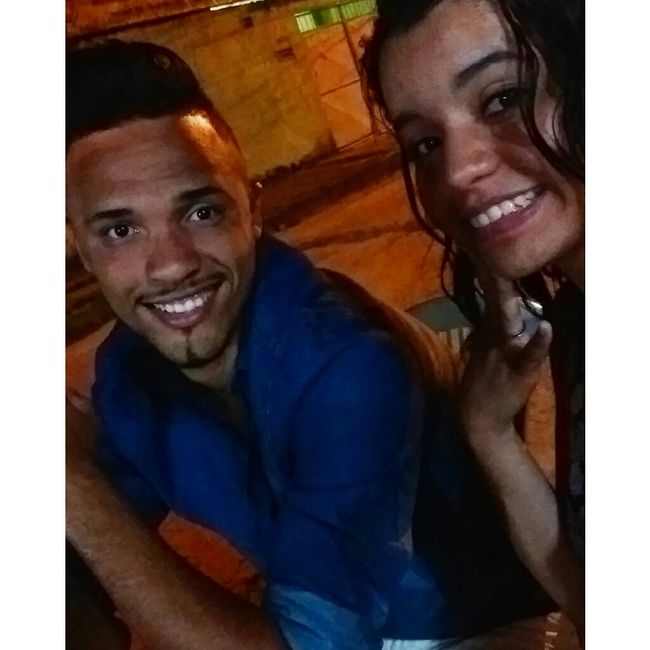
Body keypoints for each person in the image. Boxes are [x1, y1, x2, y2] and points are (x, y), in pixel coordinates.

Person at [66, 39, 555, 650]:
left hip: (475, 628)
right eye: (120, 229)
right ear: (81, 250)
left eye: (201, 213)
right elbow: (84, 566)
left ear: (252, 210)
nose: (170, 265)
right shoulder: (128, 373)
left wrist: (71, 482)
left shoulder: (350, 367)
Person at [362, 0, 585, 642]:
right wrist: (488, 431)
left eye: (503, 98)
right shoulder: (577, 318)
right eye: (426, 143)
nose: (458, 172)